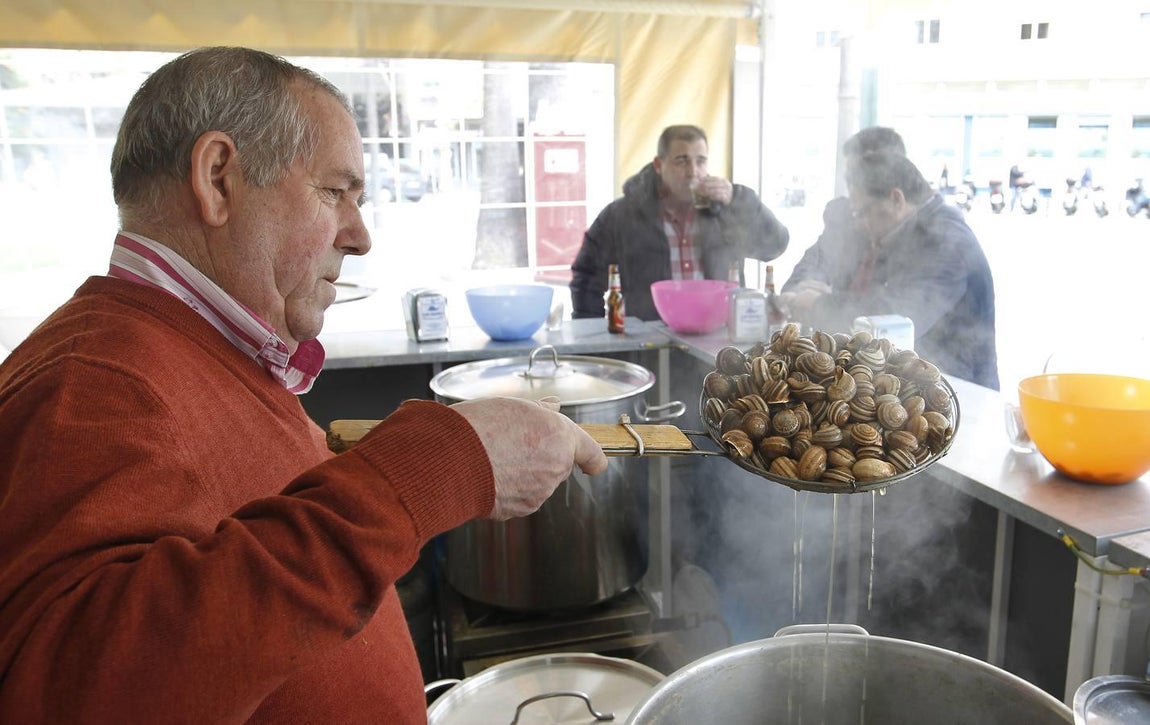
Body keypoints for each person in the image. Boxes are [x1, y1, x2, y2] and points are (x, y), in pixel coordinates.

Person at [0, 47, 608, 723]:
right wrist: (427, 469)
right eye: (336, 192)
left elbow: (242, 554)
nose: (360, 234)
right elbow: (80, 695)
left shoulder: (206, 353)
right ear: (218, 178)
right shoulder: (89, 384)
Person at [781, 150, 999, 390]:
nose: (859, 224)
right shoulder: (908, 230)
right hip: (923, 379)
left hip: (959, 390)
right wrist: (825, 293)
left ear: (896, 199)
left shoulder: (947, 242)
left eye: (862, 212)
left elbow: (895, 315)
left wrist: (818, 304)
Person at [569, 124, 789, 321]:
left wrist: (738, 199)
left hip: (718, 340)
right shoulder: (622, 215)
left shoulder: (726, 209)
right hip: (650, 342)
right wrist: (593, 335)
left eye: (700, 161)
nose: (693, 172)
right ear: (659, 165)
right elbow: (586, 277)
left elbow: (774, 246)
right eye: (681, 161)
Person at [780, 125, 906, 318]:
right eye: (849, 177)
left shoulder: (916, 237)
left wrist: (828, 301)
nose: (851, 185)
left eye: (858, 176)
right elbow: (813, 263)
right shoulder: (843, 215)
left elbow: (896, 312)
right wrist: (799, 291)